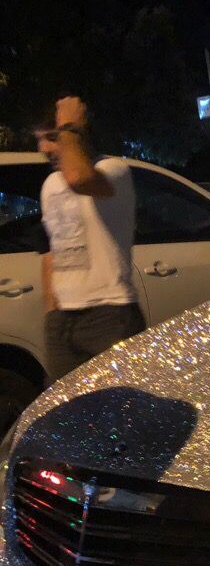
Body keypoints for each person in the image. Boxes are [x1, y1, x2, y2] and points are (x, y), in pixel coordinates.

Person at [38, 96, 144, 382]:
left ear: (78, 133)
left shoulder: (113, 171)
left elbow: (79, 178)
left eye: (52, 137)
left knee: (120, 415)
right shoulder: (50, 185)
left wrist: (70, 124)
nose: (44, 148)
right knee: (70, 418)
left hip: (109, 316)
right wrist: (52, 315)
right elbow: (52, 252)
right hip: (63, 322)